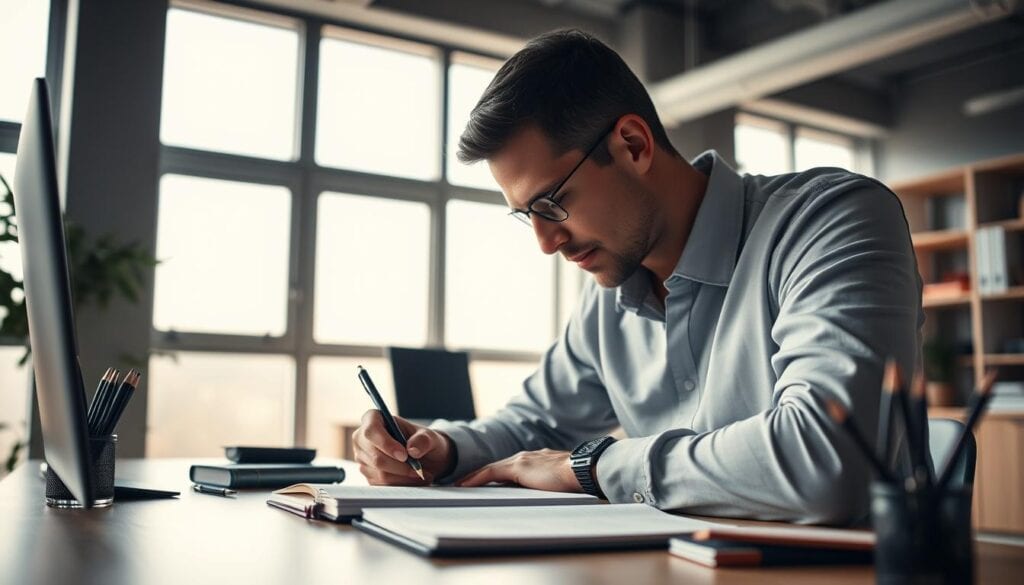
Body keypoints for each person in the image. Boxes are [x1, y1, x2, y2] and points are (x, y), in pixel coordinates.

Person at [351, 29, 922, 524]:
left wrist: (592, 466)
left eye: (552, 203)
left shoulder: (830, 220)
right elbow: (534, 424)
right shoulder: (611, 294)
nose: (546, 243)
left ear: (633, 144)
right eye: (527, 215)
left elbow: (827, 460)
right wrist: (441, 448)